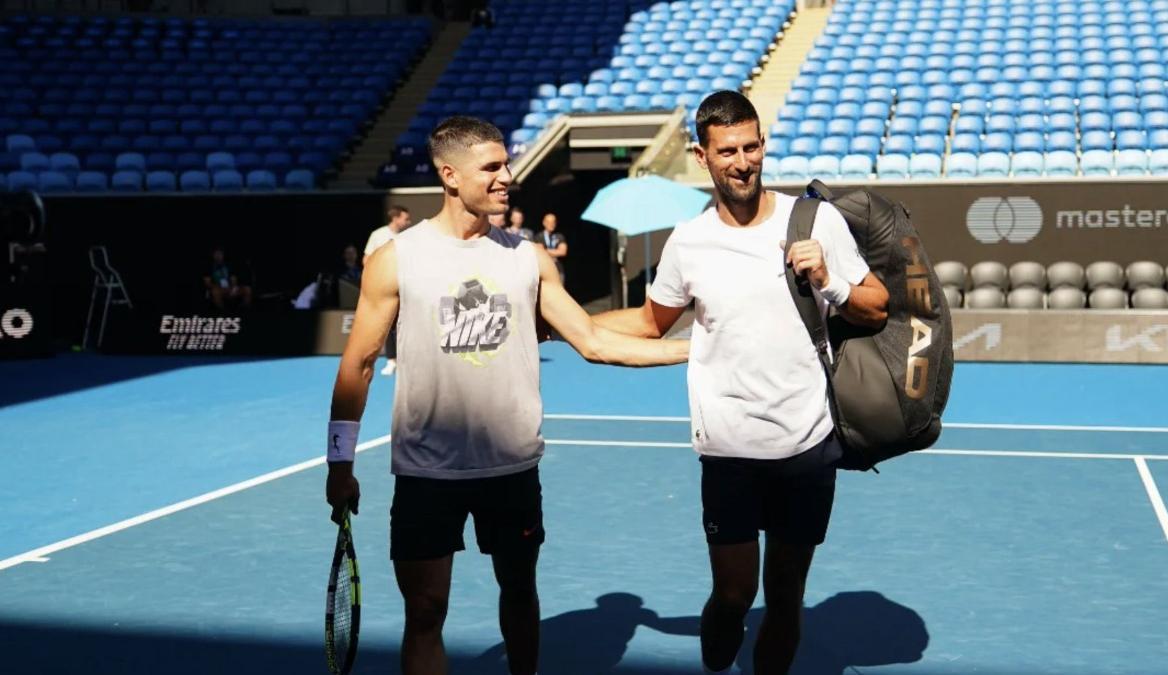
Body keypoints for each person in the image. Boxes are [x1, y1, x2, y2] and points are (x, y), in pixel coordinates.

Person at [323, 115, 688, 675]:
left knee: (520, 596)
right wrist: (339, 461)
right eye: (491, 167)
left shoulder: (528, 258)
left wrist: (702, 350)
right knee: (424, 613)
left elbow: (592, 341)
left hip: (511, 469)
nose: (506, 177)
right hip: (426, 473)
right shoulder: (397, 259)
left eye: (505, 164)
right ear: (449, 175)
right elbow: (359, 365)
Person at [594, 90, 889, 675]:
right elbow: (651, 324)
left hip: (807, 445)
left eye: (752, 146)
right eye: (727, 150)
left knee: (784, 597)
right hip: (727, 451)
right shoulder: (688, 242)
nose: (742, 161)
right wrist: (559, 324)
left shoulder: (815, 220)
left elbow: (877, 307)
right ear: (703, 157)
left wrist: (829, 280)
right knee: (732, 595)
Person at [366, 206, 412, 375]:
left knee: (406, 325)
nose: (409, 222)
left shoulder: (409, 237)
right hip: (385, 287)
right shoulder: (378, 235)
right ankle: (392, 361)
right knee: (389, 324)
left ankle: (407, 361)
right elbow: (367, 259)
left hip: (407, 287)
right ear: (396, 218)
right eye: (406, 219)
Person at [203, 246, 252, 310]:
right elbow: (207, 283)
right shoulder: (208, 267)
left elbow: (233, 278)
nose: (218, 256)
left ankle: (243, 308)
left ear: (223, 255)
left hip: (229, 287)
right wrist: (216, 287)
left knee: (247, 289)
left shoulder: (228, 265)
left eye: (220, 254)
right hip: (218, 288)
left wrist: (234, 287)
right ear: (213, 255)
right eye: (216, 254)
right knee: (215, 291)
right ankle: (222, 311)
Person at [538, 212, 567, 282]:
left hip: (558, 269)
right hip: (544, 269)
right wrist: (555, 252)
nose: (551, 224)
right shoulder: (538, 236)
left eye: (553, 222)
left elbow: (563, 252)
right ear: (544, 223)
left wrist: (545, 250)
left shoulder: (560, 236)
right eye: (549, 222)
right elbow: (539, 252)